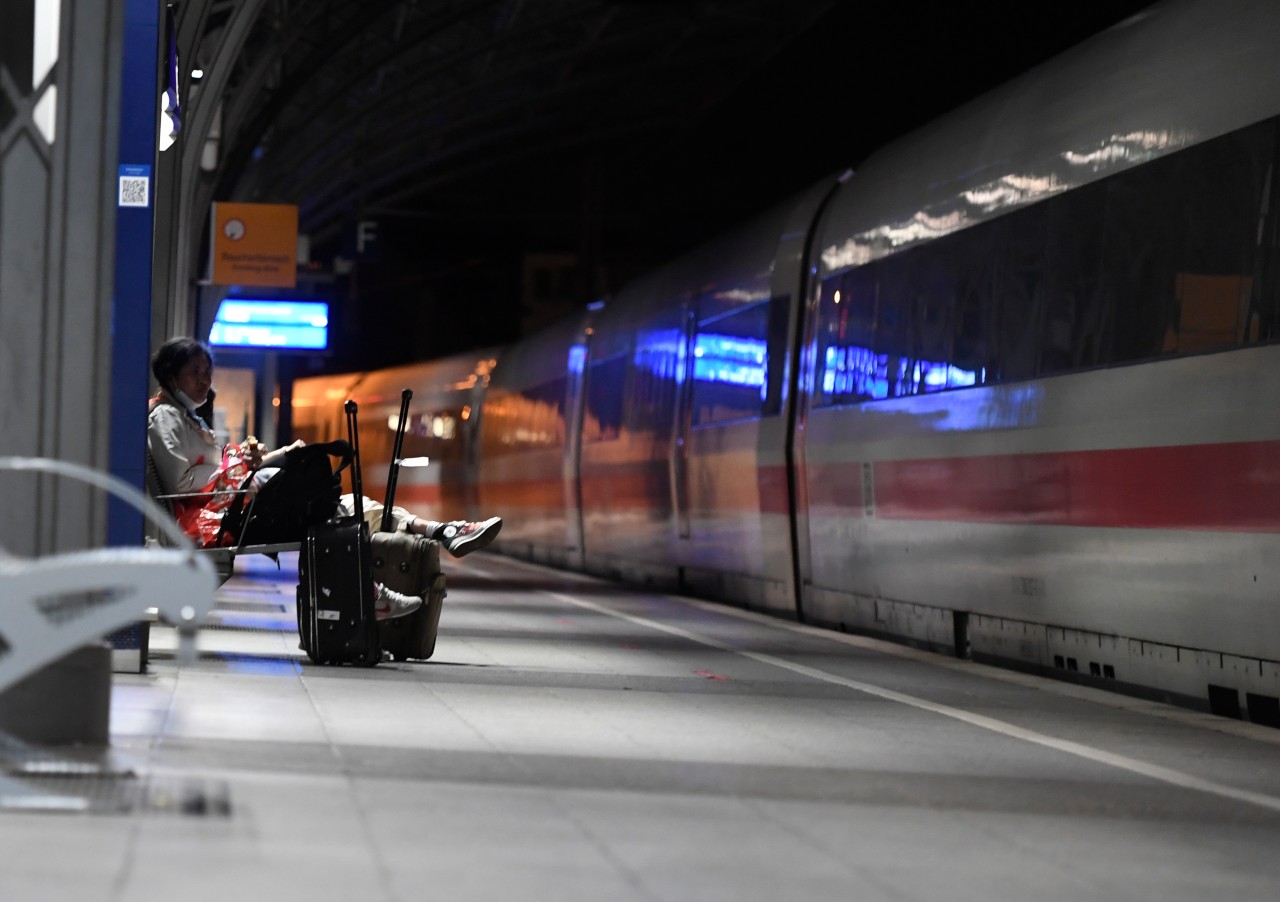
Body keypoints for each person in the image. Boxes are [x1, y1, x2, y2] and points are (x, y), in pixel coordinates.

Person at [147, 337, 502, 619]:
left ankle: (442, 532)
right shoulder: (165, 418)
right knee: (331, 514)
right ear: (171, 373)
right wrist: (250, 465)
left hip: (235, 511)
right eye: (195, 372)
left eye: (208, 372)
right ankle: (371, 590)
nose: (205, 380)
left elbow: (212, 469)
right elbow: (183, 484)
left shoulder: (188, 417)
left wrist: (268, 458)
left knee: (345, 506)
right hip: (215, 522)